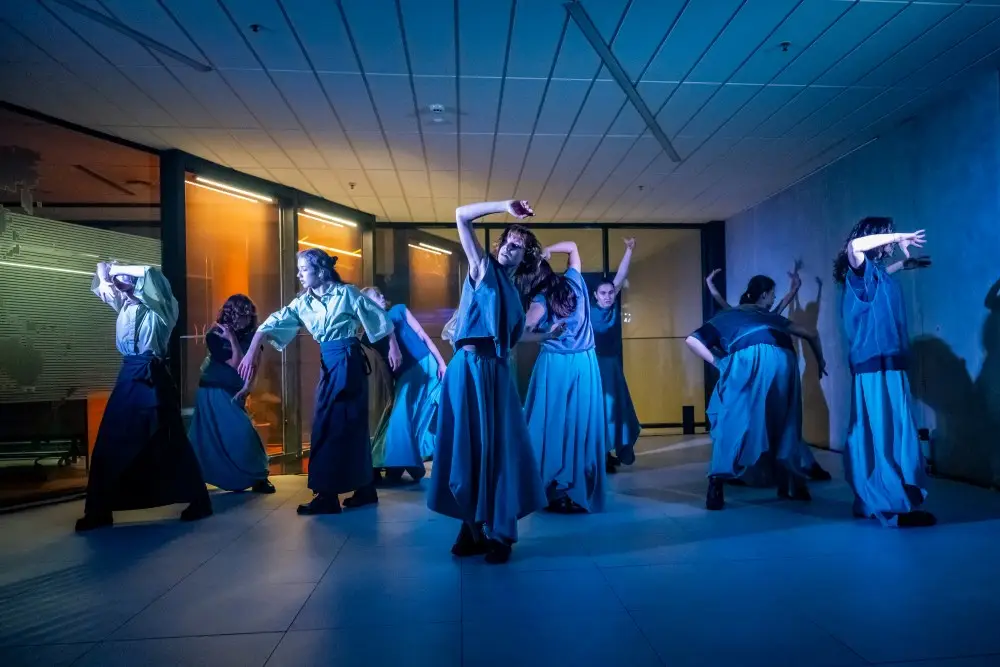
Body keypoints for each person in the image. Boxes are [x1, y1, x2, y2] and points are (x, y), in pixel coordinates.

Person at [427, 199, 553, 565]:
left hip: (496, 372)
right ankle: (471, 526)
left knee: (497, 449)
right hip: (468, 369)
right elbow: (460, 215)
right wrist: (505, 205)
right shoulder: (482, 268)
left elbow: (513, 335)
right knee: (468, 447)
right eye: (506, 241)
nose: (508, 248)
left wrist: (546, 335)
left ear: (525, 260)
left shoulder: (514, 291)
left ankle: (498, 533)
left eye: (517, 247)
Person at [238, 249, 393, 516]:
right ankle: (365, 488)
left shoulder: (347, 294)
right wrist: (252, 351)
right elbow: (271, 323)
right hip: (331, 362)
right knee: (346, 425)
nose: (299, 274)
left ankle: (327, 495)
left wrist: (394, 348)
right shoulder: (304, 303)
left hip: (348, 361)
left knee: (329, 425)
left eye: (303, 269)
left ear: (320, 270)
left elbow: (381, 320)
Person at [76, 263, 211, 532]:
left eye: (127, 281)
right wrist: (108, 273)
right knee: (111, 439)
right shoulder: (126, 306)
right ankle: (100, 508)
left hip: (153, 375)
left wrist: (119, 271)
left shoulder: (163, 308)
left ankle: (198, 499)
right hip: (130, 373)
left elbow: (150, 273)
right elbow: (102, 277)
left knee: (170, 439)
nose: (121, 286)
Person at [686, 275, 827, 510]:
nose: (773, 299)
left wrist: (719, 363)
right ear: (763, 295)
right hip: (783, 361)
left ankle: (717, 482)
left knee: (733, 419)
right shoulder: (771, 316)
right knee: (785, 422)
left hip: (747, 360)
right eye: (772, 294)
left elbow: (693, 340)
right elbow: (810, 334)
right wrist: (820, 361)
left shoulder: (729, 315)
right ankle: (794, 484)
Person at [834, 217, 934, 527]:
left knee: (889, 432)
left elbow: (879, 277)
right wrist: (902, 235)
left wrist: (903, 264)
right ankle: (886, 505)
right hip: (874, 365)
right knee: (881, 432)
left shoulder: (873, 273)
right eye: (887, 234)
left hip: (886, 363)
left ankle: (875, 500)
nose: (891, 240)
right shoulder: (857, 264)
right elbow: (854, 246)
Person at [524, 242, 608, 514]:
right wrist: (547, 249)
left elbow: (521, 333)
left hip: (555, 366)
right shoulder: (574, 281)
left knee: (553, 426)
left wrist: (546, 335)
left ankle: (554, 488)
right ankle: (577, 488)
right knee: (580, 426)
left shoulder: (539, 301)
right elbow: (573, 245)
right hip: (585, 363)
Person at [188, 294, 274, 494]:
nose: (248, 319)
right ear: (233, 315)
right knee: (210, 437)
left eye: (250, 315)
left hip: (234, 391)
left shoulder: (253, 335)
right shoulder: (214, 335)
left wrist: (248, 389)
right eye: (244, 315)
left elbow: (254, 366)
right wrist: (233, 340)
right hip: (213, 389)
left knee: (243, 434)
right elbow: (236, 364)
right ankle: (198, 479)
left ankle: (258, 477)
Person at [361, 287, 447, 484]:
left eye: (380, 294)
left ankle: (401, 463)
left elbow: (424, 337)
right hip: (406, 374)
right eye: (376, 295)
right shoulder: (369, 333)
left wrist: (442, 363)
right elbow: (384, 366)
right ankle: (403, 463)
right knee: (403, 416)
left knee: (406, 416)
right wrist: (391, 389)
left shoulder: (398, 311)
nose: (382, 296)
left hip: (424, 364)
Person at [591, 237, 641, 474]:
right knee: (598, 409)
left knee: (614, 410)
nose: (608, 296)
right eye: (604, 293)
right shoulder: (588, 312)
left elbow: (619, 277)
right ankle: (597, 454)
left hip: (611, 365)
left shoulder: (612, 307)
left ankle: (608, 453)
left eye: (611, 293)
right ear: (596, 295)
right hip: (594, 366)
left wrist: (629, 250)